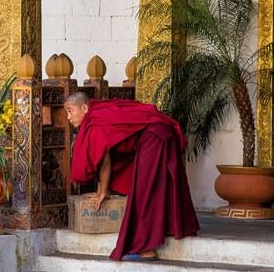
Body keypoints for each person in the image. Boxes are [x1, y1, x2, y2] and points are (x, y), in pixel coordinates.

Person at [65, 91, 200, 261]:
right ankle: (170, 228)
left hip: (154, 138)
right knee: (157, 186)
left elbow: (105, 162)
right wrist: (101, 190)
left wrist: (103, 192)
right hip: (160, 133)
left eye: (70, 111)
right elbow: (103, 158)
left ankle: (145, 248)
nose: (68, 117)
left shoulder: (94, 123)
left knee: (144, 191)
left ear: (84, 108)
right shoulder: (96, 114)